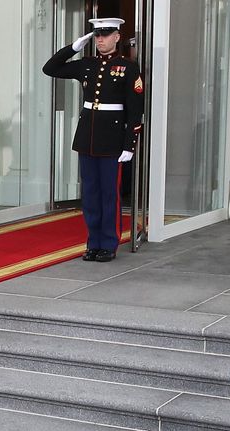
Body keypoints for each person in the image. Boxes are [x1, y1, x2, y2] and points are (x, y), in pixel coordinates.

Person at [43, 17, 144, 263]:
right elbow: (50, 69)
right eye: (97, 35)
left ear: (117, 37)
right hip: (87, 138)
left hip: (112, 140)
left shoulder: (128, 67)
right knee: (90, 195)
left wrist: (129, 145)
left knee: (109, 194)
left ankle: (109, 243)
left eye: (106, 34)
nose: (100, 39)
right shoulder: (86, 64)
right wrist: (73, 48)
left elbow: (135, 110)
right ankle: (93, 242)